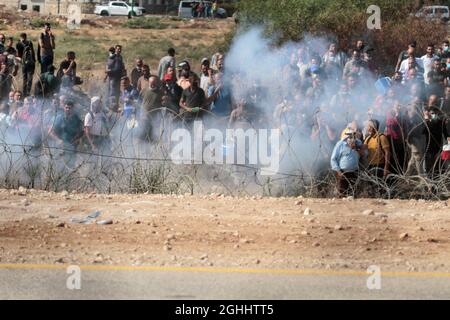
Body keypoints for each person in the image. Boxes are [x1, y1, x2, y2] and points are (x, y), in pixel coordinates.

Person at [330, 128, 365, 196]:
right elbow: (333, 159)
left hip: (354, 172)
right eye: (351, 137)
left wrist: (356, 148)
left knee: (352, 193)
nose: (353, 139)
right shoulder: (340, 145)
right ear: (347, 137)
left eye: (354, 137)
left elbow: (364, 151)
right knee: (342, 192)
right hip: (343, 173)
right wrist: (338, 171)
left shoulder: (357, 143)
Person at [422, 106, 449, 177]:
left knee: (438, 167)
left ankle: (438, 183)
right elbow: (423, 131)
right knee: (429, 168)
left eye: (436, 113)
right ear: (429, 114)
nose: (435, 115)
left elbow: (446, 134)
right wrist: (426, 120)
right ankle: (430, 185)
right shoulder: (427, 122)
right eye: (432, 113)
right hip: (429, 149)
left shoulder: (440, 122)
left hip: (438, 148)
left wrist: (449, 141)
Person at [106, 45, 126, 112]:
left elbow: (121, 66)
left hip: (118, 77)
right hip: (113, 77)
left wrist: (123, 70)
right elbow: (108, 66)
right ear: (115, 50)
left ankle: (116, 106)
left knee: (117, 91)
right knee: (112, 92)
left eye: (120, 49)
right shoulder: (113, 56)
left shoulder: (120, 57)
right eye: (118, 49)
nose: (119, 50)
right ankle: (112, 107)